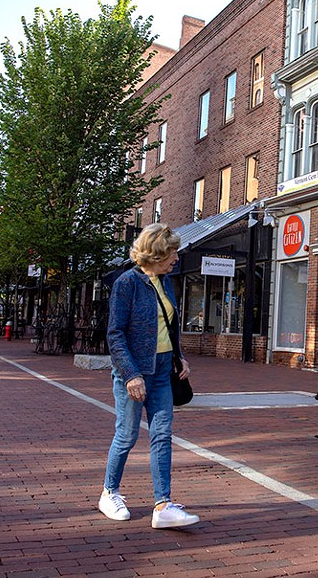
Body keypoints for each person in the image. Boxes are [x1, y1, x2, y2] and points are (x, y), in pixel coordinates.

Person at [100, 223, 198, 529]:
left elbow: (168, 324)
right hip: (134, 373)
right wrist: (130, 374)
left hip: (162, 371)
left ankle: (163, 505)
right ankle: (109, 492)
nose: (177, 258)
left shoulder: (166, 281)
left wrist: (179, 355)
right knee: (127, 435)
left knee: (162, 435)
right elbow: (115, 334)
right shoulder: (127, 283)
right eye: (172, 252)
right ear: (156, 252)